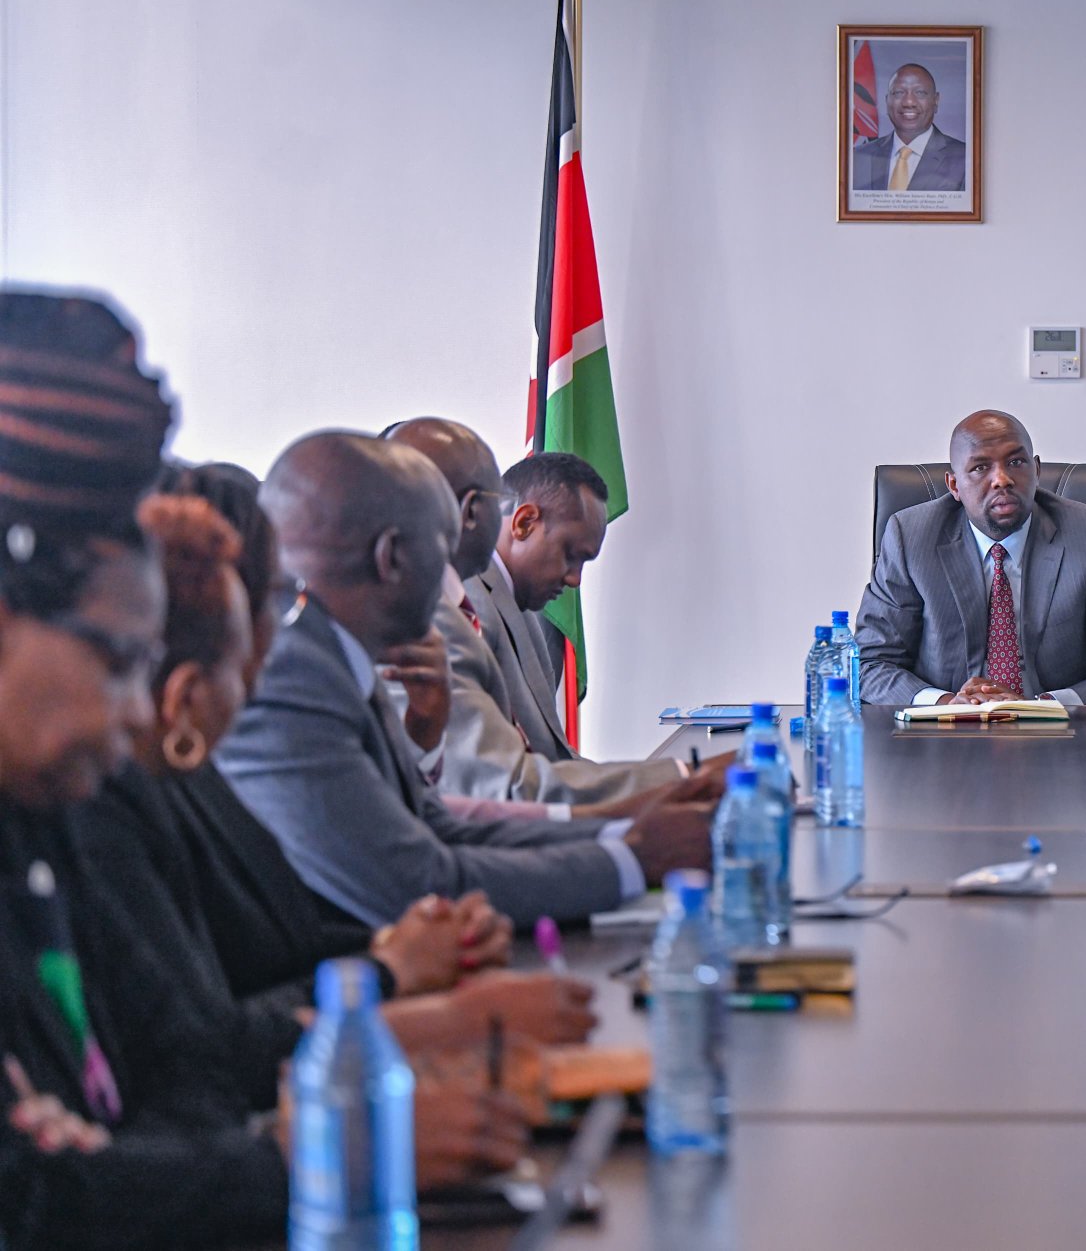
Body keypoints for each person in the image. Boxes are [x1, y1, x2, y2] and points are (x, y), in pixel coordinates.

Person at [0, 289, 526, 1250]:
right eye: (118, 659)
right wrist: (327, 1152)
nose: (138, 706)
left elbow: (177, 1068)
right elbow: (32, 1197)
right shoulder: (80, 804)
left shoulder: (43, 819)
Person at [216, 431, 712, 927]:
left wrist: (621, 837)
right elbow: (413, 882)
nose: (457, 577)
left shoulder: (337, 650)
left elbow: (435, 823)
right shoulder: (290, 678)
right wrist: (629, 860)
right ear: (392, 556)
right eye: (443, 546)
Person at [385, 419, 703, 806]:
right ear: (522, 522)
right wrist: (683, 778)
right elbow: (505, 785)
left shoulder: (520, 606)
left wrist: (672, 784)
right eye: (571, 555)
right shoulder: (458, 610)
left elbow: (554, 758)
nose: (574, 580)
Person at [855, 410, 1086, 706]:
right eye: (980, 468)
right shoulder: (910, 537)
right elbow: (869, 665)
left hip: (1057, 735)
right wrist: (949, 704)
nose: (1001, 479)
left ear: (1036, 471)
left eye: (1015, 462)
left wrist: (1041, 706)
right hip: (942, 735)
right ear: (954, 485)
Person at [850, 62, 968, 192]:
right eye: (899, 93)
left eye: (920, 93)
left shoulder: (965, 159)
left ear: (936, 101)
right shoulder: (857, 158)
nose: (909, 102)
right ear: (887, 100)